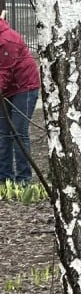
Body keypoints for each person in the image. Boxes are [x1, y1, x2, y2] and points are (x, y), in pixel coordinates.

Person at [0, 16, 41, 186]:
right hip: (7, 88)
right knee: (2, 134)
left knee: (18, 133)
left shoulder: (7, 39)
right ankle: (4, 178)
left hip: (25, 87)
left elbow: (4, 72)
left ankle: (24, 178)